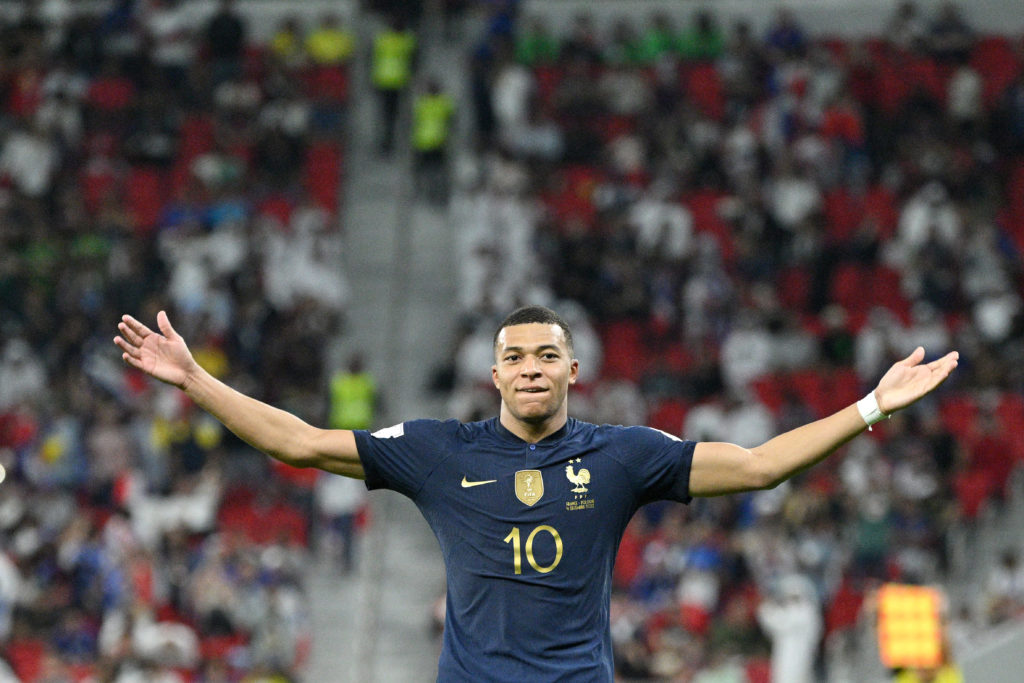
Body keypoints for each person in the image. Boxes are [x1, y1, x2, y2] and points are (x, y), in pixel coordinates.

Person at [114, 305, 958, 681]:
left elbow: (762, 463)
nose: (530, 369)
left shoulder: (625, 454)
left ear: (573, 370)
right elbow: (296, 441)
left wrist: (873, 403)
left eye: (546, 356)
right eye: (515, 357)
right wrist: (193, 379)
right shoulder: (438, 450)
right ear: (493, 374)